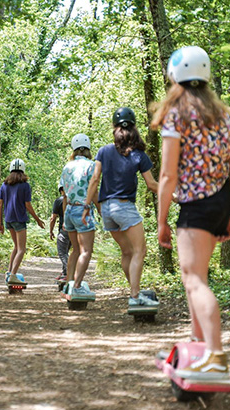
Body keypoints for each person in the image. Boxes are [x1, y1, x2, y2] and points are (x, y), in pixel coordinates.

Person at [151, 45, 230, 380]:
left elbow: (167, 175)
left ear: (175, 76)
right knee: (197, 279)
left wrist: (161, 221)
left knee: (194, 280)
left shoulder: (177, 114)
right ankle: (200, 346)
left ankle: (216, 355)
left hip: (195, 204)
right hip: (220, 201)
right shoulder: (223, 116)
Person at [83, 108, 160, 311]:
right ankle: (135, 296)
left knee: (127, 251)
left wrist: (86, 206)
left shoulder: (104, 151)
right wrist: (174, 194)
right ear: (133, 128)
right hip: (124, 207)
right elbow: (152, 185)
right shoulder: (139, 155)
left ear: (114, 128)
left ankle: (134, 291)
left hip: (107, 211)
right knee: (139, 251)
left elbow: (94, 180)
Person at [60, 133, 100, 299]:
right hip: (83, 210)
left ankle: (69, 284)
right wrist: (101, 211)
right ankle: (77, 287)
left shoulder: (67, 167)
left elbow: (64, 195)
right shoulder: (92, 166)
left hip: (69, 210)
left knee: (75, 250)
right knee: (86, 251)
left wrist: (64, 218)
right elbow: (94, 191)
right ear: (88, 149)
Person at [0, 158, 46, 285]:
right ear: (23, 170)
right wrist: (38, 220)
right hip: (19, 219)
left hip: (8, 219)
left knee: (16, 247)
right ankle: (13, 274)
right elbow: (28, 205)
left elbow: (0, 205)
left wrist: (0, 223)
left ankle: (9, 272)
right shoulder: (25, 185)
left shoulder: (4, 185)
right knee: (22, 249)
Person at [49, 186, 71, 283]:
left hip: (64, 229)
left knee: (62, 253)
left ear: (61, 191)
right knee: (66, 252)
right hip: (76, 229)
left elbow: (53, 218)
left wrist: (51, 231)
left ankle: (69, 273)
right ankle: (64, 273)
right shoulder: (75, 199)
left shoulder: (58, 201)